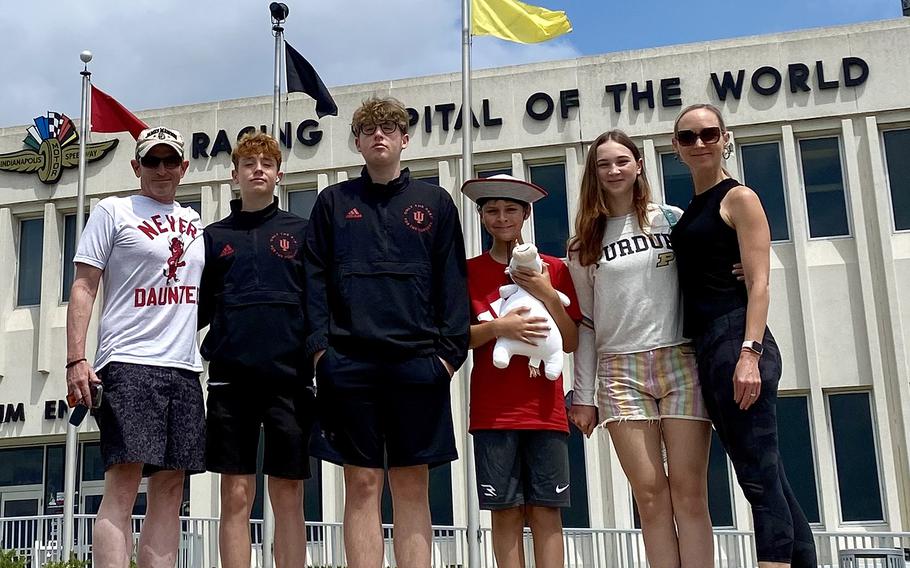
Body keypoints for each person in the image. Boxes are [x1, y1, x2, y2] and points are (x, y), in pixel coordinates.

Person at [303, 96, 470, 568]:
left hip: (418, 362)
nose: (380, 135)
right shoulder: (333, 203)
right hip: (348, 364)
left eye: (390, 128)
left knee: (412, 484)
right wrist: (319, 351)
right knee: (361, 484)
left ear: (404, 139)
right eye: (370, 129)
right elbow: (312, 281)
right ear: (357, 142)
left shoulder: (434, 202)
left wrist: (448, 356)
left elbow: (452, 283)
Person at [669, 104, 817, 568]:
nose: (699, 143)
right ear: (676, 147)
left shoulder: (740, 198)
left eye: (708, 133)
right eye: (688, 137)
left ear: (725, 137)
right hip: (709, 347)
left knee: (758, 478)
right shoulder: (691, 208)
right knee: (767, 476)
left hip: (737, 341)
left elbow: (759, 282)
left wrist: (749, 354)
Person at [565, 130, 714, 568]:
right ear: (594, 173)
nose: (613, 170)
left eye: (621, 161)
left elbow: (707, 278)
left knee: (689, 492)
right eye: (603, 164)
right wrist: (583, 394)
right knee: (650, 496)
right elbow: (587, 324)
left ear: (639, 164)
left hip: (680, 359)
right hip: (619, 371)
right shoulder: (583, 243)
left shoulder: (671, 219)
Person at [65, 127, 205, 568]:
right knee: (123, 484)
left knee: (170, 488)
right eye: (152, 161)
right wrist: (76, 358)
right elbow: (85, 286)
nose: (161, 169)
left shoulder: (197, 222)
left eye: (170, 161)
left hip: (183, 367)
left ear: (184, 167)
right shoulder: (113, 211)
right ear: (136, 167)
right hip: (128, 362)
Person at [197, 132, 313, 568]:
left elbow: (317, 304)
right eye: (249, 164)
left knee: (288, 492)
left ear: (279, 174)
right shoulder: (213, 237)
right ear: (235, 176)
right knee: (236, 494)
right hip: (231, 380)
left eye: (266, 163)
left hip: (291, 380)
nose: (258, 169)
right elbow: (197, 309)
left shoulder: (301, 233)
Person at [462, 175, 581, 568]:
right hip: (493, 413)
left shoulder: (554, 269)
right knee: (506, 513)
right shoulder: (468, 271)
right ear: (481, 217)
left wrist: (548, 293)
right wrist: (499, 328)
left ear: (526, 214)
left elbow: (570, 341)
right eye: (492, 210)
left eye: (511, 209)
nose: (501, 218)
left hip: (546, 413)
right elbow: (456, 337)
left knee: (547, 512)